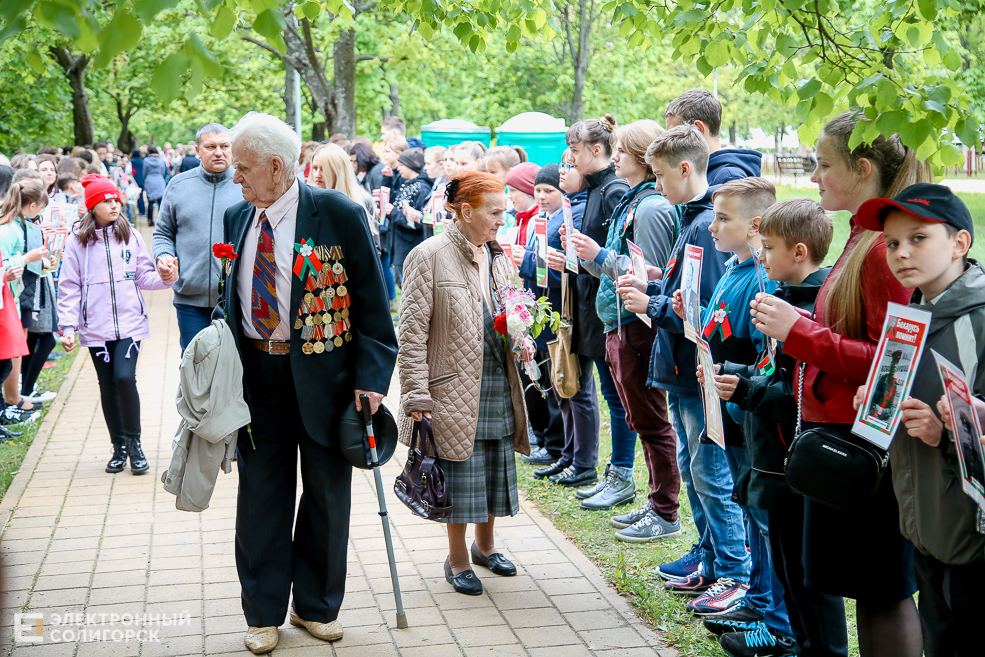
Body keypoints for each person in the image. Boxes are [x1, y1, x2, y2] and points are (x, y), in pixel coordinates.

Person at [751, 113, 932, 657]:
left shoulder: (880, 249)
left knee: (884, 593)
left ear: (861, 168)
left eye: (824, 164)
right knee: (870, 595)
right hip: (844, 445)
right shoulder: (862, 238)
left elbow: (892, 363)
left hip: (865, 450)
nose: (814, 177)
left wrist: (800, 333)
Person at [217, 112, 396, 654]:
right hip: (257, 376)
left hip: (326, 378)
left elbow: (371, 302)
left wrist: (372, 378)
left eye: (244, 168)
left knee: (325, 495)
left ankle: (316, 605)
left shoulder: (338, 214)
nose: (236, 178)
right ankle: (263, 610)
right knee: (260, 495)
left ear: (277, 166)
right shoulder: (235, 218)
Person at [851, 183, 984, 657]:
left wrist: (945, 433)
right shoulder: (910, 314)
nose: (901, 252)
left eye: (918, 238)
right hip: (926, 524)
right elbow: (900, 414)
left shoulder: (981, 319)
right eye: (892, 243)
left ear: (960, 242)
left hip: (972, 538)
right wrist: (877, 404)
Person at [711, 198, 845, 657]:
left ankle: (821, 650)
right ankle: (792, 643)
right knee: (787, 569)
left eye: (768, 248)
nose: (762, 257)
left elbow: (802, 396)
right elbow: (775, 371)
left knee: (810, 578)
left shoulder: (814, 313)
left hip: (796, 464)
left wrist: (746, 393)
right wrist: (737, 372)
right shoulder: (785, 300)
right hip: (772, 462)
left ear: (800, 251)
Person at [666, 179, 790, 637]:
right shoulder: (736, 268)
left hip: (746, 417)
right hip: (729, 414)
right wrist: (688, 318)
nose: (712, 227)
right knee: (750, 508)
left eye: (722, 219)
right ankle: (757, 600)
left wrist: (733, 383)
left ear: (754, 225)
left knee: (760, 517)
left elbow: (766, 355)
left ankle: (768, 609)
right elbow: (719, 331)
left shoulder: (761, 276)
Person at [398, 170, 530, 596]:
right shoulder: (428, 255)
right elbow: (412, 332)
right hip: (451, 383)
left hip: (496, 375)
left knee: (492, 463)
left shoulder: (499, 254)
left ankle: (485, 547)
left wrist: (523, 337)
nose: (502, 221)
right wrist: (416, 394)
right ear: (465, 210)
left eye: (505, 212)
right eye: (495, 212)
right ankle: (457, 559)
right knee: (460, 470)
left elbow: (513, 309)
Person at [618, 124, 735, 589]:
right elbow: (686, 290)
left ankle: (730, 570)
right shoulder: (690, 217)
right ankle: (709, 558)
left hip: (696, 372)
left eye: (661, 175)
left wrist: (653, 304)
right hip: (681, 370)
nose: (658, 185)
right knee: (693, 470)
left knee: (711, 478)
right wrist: (657, 282)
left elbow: (706, 312)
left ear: (686, 168)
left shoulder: (708, 227)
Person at [568, 118, 681, 541]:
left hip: (636, 324)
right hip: (618, 322)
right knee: (640, 418)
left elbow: (646, 276)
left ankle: (664, 510)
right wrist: (591, 256)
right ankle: (655, 504)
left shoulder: (650, 207)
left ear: (644, 158)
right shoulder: (634, 201)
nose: (613, 157)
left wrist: (599, 254)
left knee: (651, 421)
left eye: (621, 152)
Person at [58, 174, 177, 474]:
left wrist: (166, 277)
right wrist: (69, 327)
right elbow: (69, 285)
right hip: (95, 330)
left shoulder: (131, 235)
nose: (114, 205)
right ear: (92, 206)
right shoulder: (77, 241)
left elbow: (144, 276)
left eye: (115, 200)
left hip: (130, 325)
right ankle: (118, 447)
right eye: (106, 200)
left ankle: (135, 444)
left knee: (125, 379)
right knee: (107, 385)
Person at [557, 115, 636, 511]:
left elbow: (615, 259)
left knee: (618, 396)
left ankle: (622, 473)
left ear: (597, 150)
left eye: (574, 151)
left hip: (613, 311)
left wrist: (587, 255)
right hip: (594, 305)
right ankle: (616, 470)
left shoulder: (613, 191)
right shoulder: (594, 190)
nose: (569, 159)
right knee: (610, 393)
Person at [152, 124, 242, 352]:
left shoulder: (246, 186)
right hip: (190, 300)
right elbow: (163, 233)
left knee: (234, 369)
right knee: (194, 368)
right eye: (211, 146)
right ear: (197, 150)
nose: (219, 152)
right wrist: (164, 258)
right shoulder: (178, 186)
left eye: (224, 146)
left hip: (236, 299)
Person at [0, 179, 48, 426]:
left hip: (11, 299)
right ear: (31, 206)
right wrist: (27, 258)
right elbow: (3, 264)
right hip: (5, 301)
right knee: (5, 362)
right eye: (40, 207)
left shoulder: (17, 225)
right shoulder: (8, 230)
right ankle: (8, 405)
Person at [665, 88, 763, 184]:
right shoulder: (703, 172)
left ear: (698, 129)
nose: (670, 142)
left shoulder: (728, 178)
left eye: (675, 132)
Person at [307, 144, 379, 247]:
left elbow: (374, 247)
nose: (317, 174)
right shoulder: (307, 200)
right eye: (315, 168)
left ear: (338, 170)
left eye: (323, 169)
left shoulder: (362, 199)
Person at [385, 147, 431, 287]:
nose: (398, 169)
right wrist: (387, 180)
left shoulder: (422, 188)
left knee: (410, 288)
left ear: (411, 166)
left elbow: (417, 222)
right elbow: (396, 203)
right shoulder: (406, 184)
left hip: (409, 247)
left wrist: (393, 213)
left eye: (401, 165)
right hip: (400, 246)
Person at [142, 146, 167, 226]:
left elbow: (144, 173)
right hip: (159, 180)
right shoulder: (161, 161)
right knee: (160, 202)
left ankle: (150, 220)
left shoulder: (146, 161)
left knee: (150, 202)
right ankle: (162, 221)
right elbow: (163, 172)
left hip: (150, 181)